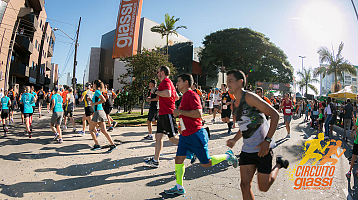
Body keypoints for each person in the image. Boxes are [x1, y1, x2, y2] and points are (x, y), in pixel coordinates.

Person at [164, 73, 238, 195]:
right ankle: (179, 187)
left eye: (179, 81)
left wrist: (179, 112)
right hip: (185, 136)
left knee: (206, 163)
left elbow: (198, 113)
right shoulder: (184, 97)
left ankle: (227, 156)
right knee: (178, 159)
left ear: (186, 82)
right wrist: (181, 128)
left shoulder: (192, 95)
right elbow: (183, 116)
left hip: (195, 135)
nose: (176, 84)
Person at [225, 69, 288, 199]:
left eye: (230, 81)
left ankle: (279, 164)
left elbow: (275, 115)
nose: (228, 84)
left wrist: (267, 140)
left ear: (240, 82)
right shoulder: (234, 105)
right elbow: (245, 126)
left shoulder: (249, 97)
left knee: (263, 188)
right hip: (247, 150)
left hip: (262, 149)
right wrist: (235, 140)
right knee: (244, 186)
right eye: (227, 82)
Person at [144, 66, 180, 168]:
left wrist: (155, 91)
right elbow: (176, 97)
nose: (157, 73)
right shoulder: (168, 83)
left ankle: (193, 149)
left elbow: (168, 94)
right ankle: (155, 160)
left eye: (158, 71)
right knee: (158, 137)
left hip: (167, 113)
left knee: (172, 138)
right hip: (162, 113)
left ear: (162, 72)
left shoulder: (166, 82)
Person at [88, 79, 116, 152]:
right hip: (101, 112)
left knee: (91, 129)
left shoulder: (97, 91)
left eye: (93, 84)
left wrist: (93, 104)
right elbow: (98, 101)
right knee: (104, 131)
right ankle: (112, 144)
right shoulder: (98, 92)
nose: (92, 86)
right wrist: (91, 101)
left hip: (98, 112)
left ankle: (97, 144)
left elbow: (103, 100)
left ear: (95, 85)